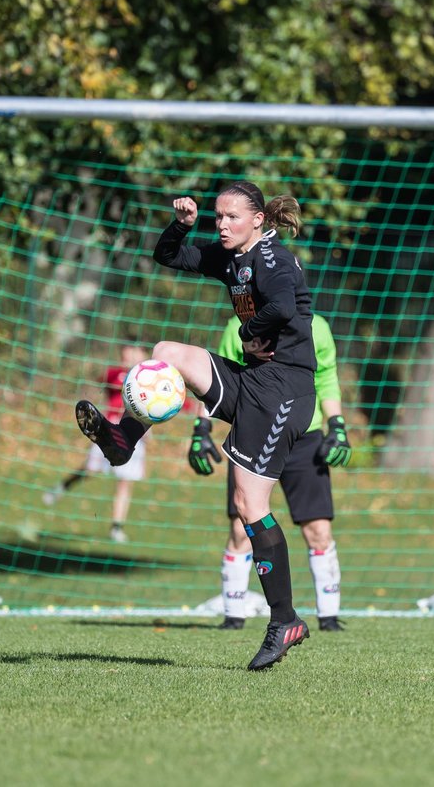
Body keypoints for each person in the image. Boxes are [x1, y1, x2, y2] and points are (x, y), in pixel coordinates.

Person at [75, 181, 317, 670]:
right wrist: (180, 225)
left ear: (257, 219)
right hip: (254, 379)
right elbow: (169, 256)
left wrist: (250, 335)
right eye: (217, 217)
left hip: (285, 392)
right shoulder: (231, 257)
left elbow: (283, 308)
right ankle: (123, 439)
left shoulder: (273, 259)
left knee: (250, 505)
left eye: (231, 217)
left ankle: (284, 619)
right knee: (166, 353)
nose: (222, 225)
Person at [189, 314, 351, 632]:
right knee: (242, 528)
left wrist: (337, 426)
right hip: (254, 432)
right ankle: (233, 615)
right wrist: (201, 427)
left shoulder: (316, 327)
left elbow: (327, 377)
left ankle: (329, 617)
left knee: (318, 529)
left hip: (305, 435)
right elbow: (214, 380)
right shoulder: (238, 326)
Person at [44, 343, 149, 543]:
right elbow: (103, 381)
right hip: (108, 431)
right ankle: (62, 486)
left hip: (135, 436)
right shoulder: (115, 374)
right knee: (90, 470)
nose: (129, 357)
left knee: (125, 483)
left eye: (134, 352)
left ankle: (116, 528)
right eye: (125, 353)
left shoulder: (147, 380)